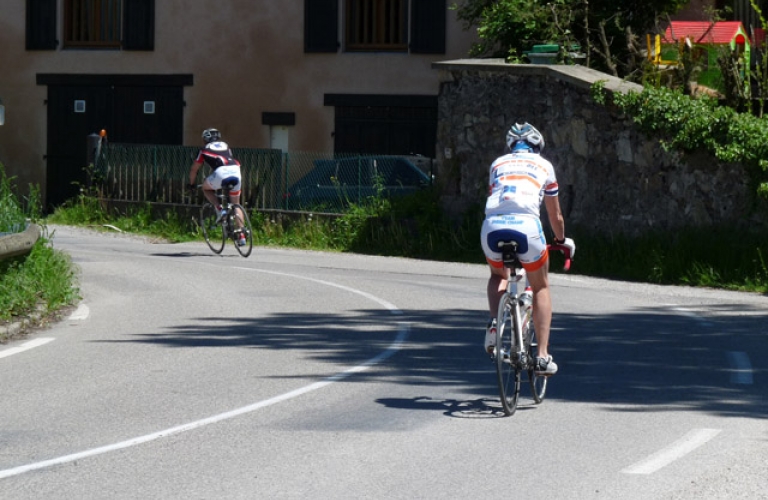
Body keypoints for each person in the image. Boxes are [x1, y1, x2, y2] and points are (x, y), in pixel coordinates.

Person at [480, 122, 575, 376]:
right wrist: (560, 238)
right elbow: (555, 215)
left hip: (492, 227)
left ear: (512, 145)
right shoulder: (544, 165)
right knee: (541, 285)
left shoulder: (498, 163)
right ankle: (542, 356)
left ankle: (494, 325)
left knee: (497, 275)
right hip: (527, 229)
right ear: (537, 146)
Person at [188, 128, 247, 246]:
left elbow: (194, 169)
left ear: (205, 139)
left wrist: (191, 185)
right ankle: (242, 235)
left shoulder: (204, 149)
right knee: (236, 204)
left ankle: (220, 210)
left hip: (221, 172)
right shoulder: (225, 145)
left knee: (206, 188)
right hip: (236, 170)